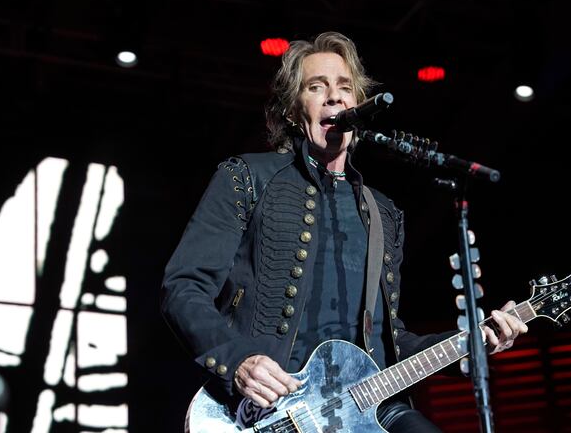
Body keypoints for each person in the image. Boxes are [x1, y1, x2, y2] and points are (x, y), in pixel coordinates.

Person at [161, 31, 528, 432]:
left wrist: (471, 343)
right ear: (290, 110)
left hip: (368, 405)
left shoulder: (382, 213)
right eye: (317, 87)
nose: (334, 97)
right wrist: (237, 361)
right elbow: (184, 287)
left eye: (345, 88)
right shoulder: (247, 178)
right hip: (266, 412)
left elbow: (389, 340)